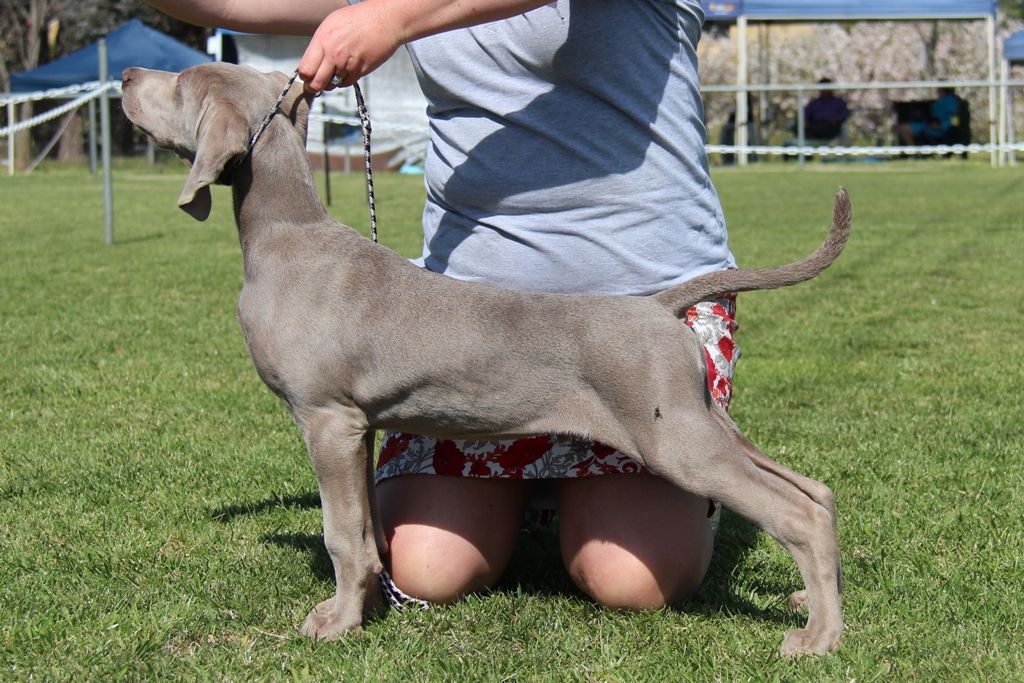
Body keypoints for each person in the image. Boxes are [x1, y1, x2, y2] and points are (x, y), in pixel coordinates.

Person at [149, 0, 739, 612]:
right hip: (464, 333)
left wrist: (393, 18)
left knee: (636, 579)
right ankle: (536, 492)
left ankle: (652, 482)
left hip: (642, 308)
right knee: (426, 568)